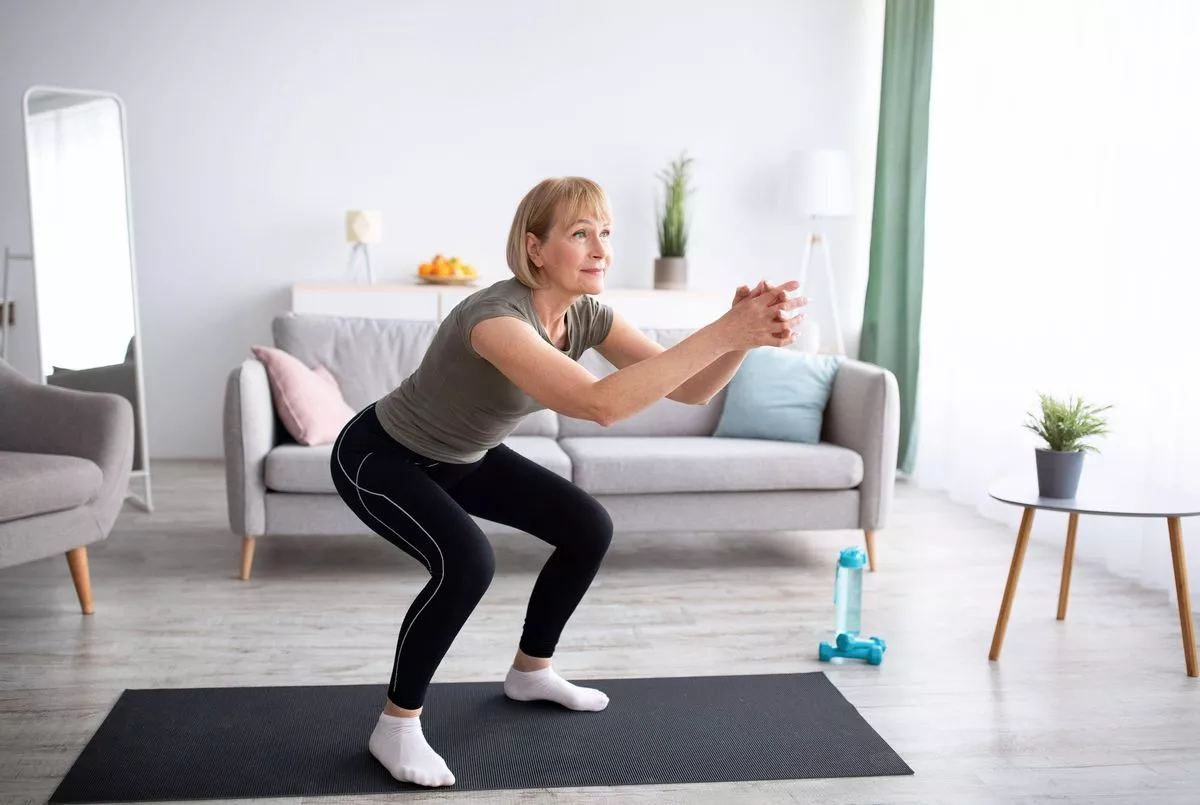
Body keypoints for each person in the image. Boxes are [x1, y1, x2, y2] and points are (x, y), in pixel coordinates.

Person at [329, 176, 806, 787]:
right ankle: (396, 724)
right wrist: (727, 330)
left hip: (464, 455)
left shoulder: (588, 315)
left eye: (605, 233)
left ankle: (530, 671)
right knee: (467, 563)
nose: (601, 248)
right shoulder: (494, 319)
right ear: (535, 248)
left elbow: (690, 389)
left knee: (587, 527)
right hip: (382, 456)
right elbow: (598, 404)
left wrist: (744, 339)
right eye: (581, 234)